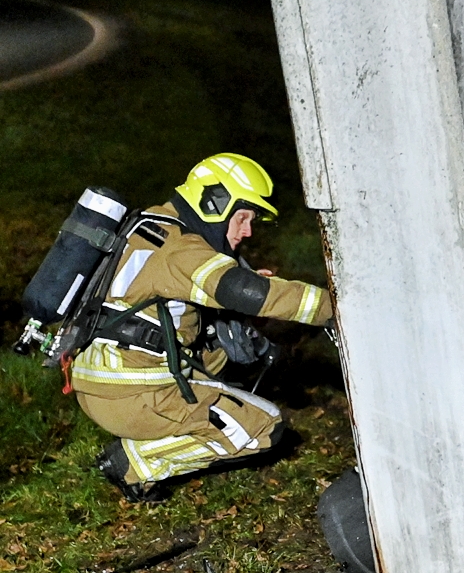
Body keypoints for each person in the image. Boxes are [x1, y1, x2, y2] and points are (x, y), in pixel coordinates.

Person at [71, 153, 333, 500]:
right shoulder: (182, 248)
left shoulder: (151, 225)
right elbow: (242, 291)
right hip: (133, 395)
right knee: (264, 426)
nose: (247, 231)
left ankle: (168, 427)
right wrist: (335, 307)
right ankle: (136, 463)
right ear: (215, 203)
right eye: (242, 218)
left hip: (99, 382)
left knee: (220, 359)